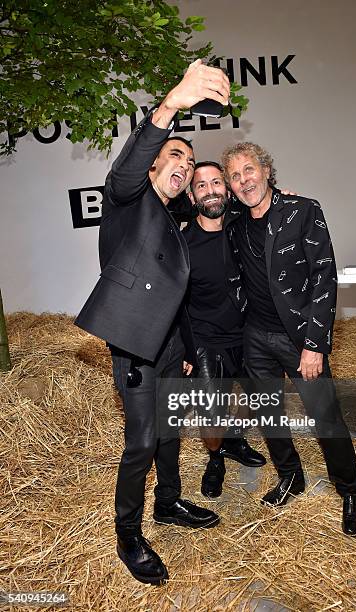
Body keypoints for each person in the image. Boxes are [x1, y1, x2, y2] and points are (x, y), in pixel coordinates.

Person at [75, 60, 230, 586]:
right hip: (135, 348)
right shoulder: (129, 199)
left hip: (168, 347)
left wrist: (185, 347)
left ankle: (167, 504)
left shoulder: (172, 217)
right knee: (141, 441)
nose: (183, 165)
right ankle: (128, 535)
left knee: (169, 434)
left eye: (188, 160)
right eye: (174, 156)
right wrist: (171, 106)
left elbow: (177, 295)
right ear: (151, 166)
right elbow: (122, 172)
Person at [220, 142, 356, 536]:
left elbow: (325, 276)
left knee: (326, 415)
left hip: (298, 336)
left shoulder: (303, 210)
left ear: (266, 170)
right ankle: (290, 477)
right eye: (234, 176)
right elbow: (192, 206)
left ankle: (350, 491)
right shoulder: (234, 221)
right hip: (255, 337)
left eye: (248, 170)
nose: (243, 180)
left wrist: (315, 344)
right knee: (268, 414)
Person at [183, 161, 266, 498]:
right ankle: (215, 456)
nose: (211, 190)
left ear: (227, 189)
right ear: (191, 196)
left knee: (254, 398)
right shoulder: (182, 242)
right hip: (205, 341)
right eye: (201, 185)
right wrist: (184, 350)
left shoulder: (243, 227)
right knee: (211, 413)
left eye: (216, 182)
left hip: (249, 335)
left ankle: (234, 439)